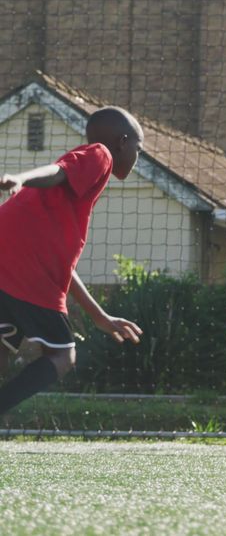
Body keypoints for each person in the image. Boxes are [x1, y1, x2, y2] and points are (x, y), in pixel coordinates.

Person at [0, 106, 145, 415]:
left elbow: (64, 269)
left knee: (2, 350)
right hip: (23, 268)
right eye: (138, 147)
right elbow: (58, 170)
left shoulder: (72, 195)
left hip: (10, 259)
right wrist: (21, 178)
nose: (137, 155)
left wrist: (99, 316)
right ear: (122, 142)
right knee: (62, 356)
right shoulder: (100, 155)